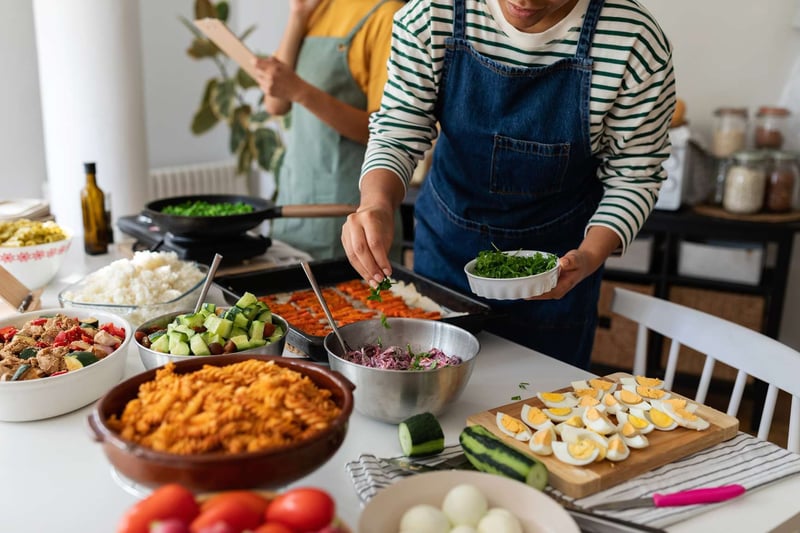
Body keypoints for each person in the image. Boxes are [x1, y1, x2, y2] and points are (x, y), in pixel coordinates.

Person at [340, 0, 676, 369]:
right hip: (446, 256)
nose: (526, 1)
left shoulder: (633, 40)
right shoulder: (432, 14)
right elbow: (397, 133)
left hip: (556, 273)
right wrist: (376, 205)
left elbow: (635, 174)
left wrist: (591, 254)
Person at [253, 0, 406, 260]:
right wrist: (298, 15)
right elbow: (275, 103)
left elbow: (387, 132)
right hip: (295, 201)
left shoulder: (387, 14)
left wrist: (302, 92)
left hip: (348, 212)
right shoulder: (314, 9)